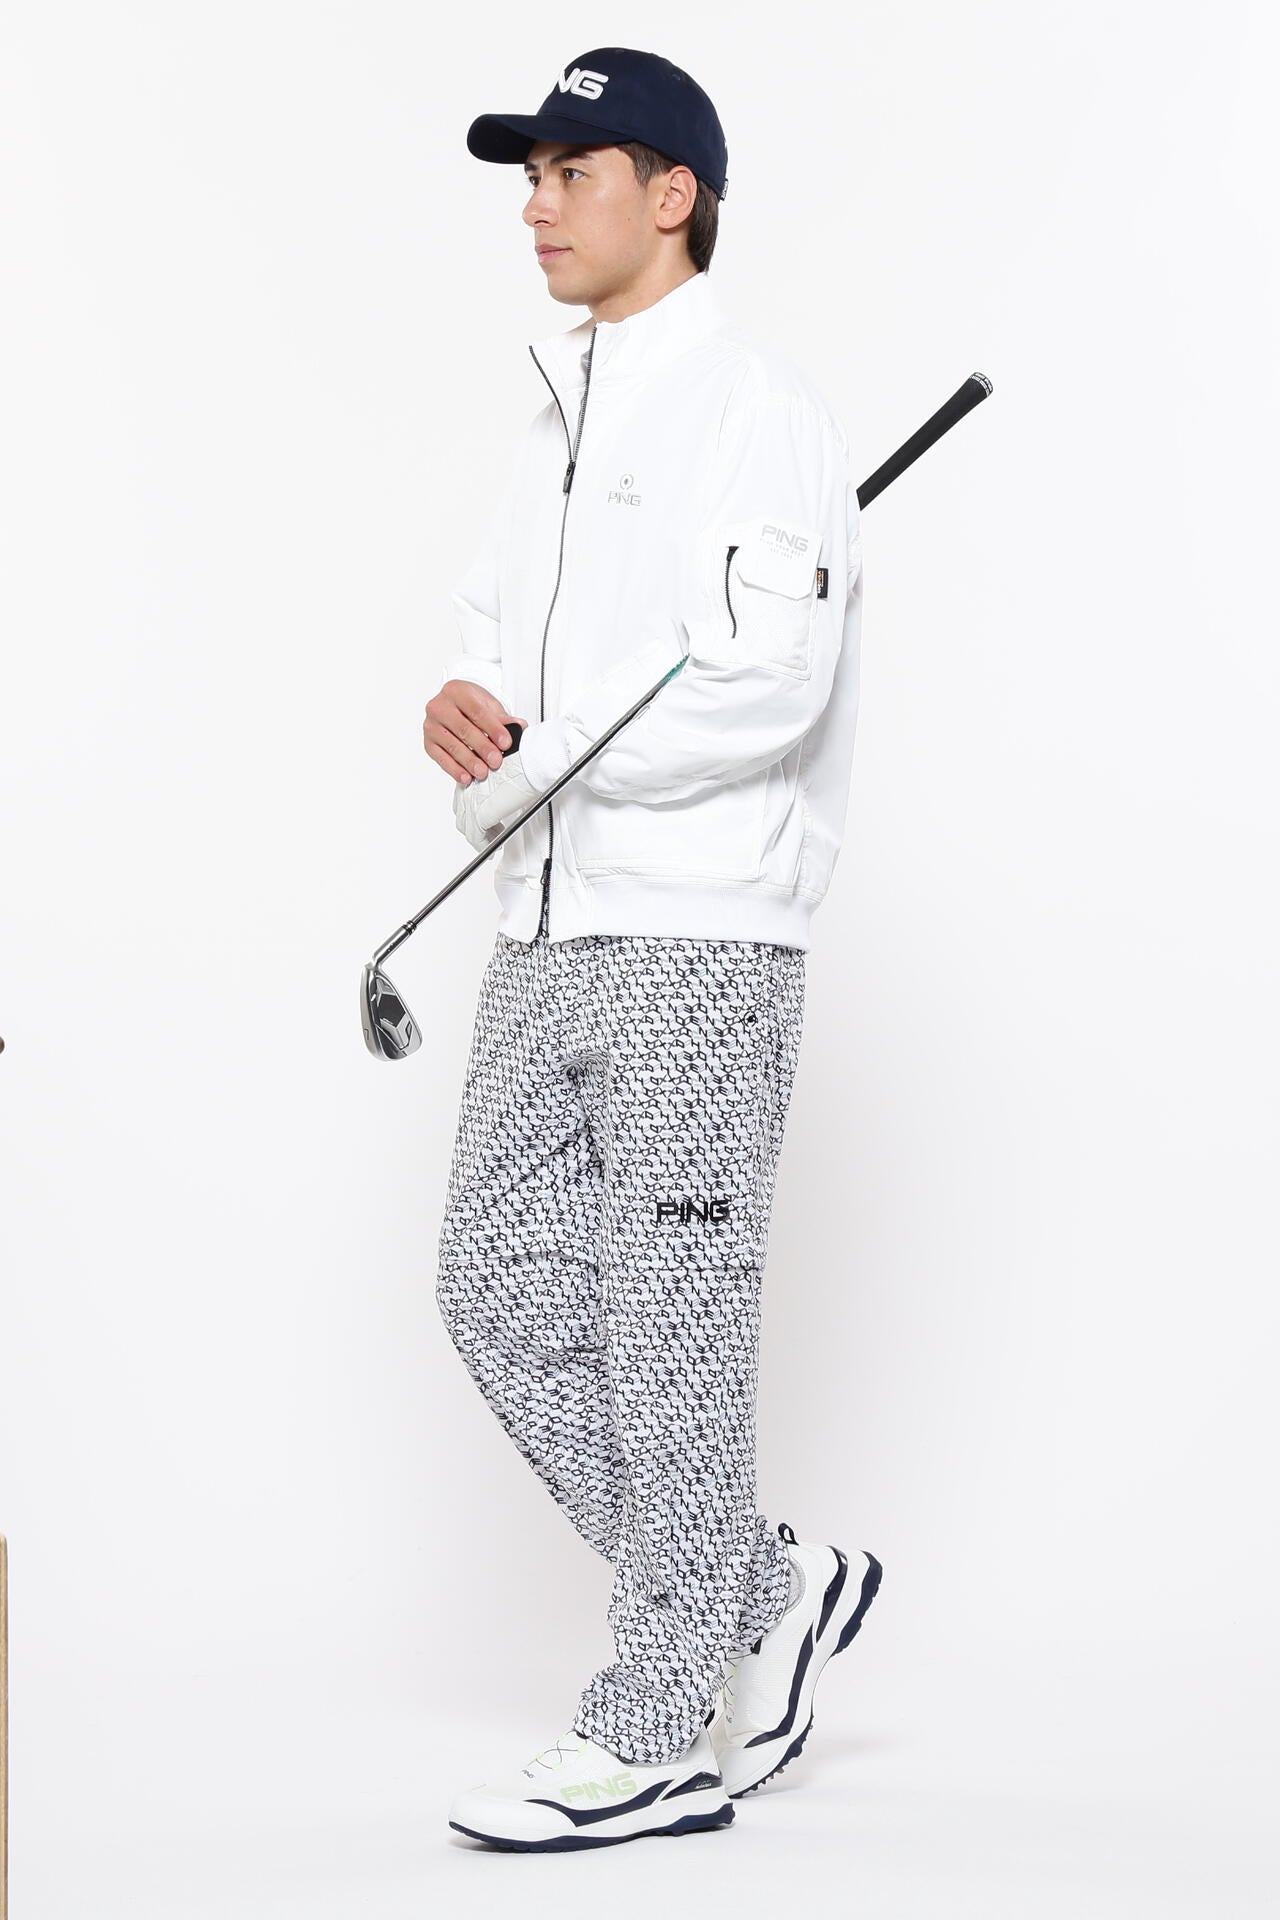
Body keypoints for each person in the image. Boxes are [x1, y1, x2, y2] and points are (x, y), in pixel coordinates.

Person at [422, 46, 881, 1853]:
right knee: (494, 1282)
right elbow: (491, 661)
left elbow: (768, 686)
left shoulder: (757, 411)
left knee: (669, 1328)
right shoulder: (552, 423)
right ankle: (761, 1586)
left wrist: (543, 749)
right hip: (542, 922)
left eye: (573, 170)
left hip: (696, 937)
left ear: (670, 194)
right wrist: (468, 723)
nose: (537, 205)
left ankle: (663, 1721)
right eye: (529, 176)